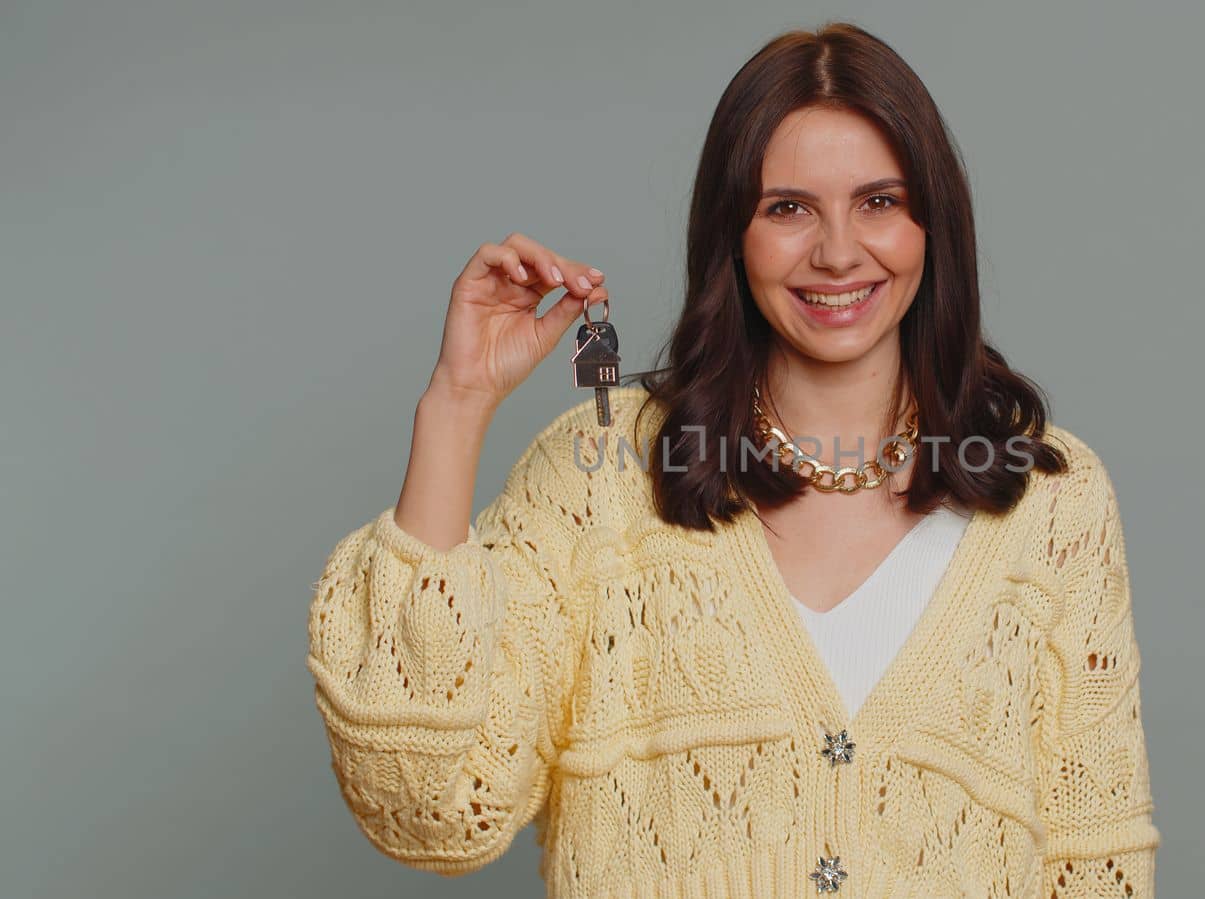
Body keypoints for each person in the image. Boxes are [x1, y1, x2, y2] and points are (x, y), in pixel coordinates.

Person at [305, 21, 1160, 897]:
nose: (836, 251)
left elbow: (1096, 861)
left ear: (932, 226)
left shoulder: (1049, 498)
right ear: (732, 233)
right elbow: (427, 806)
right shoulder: (601, 476)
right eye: (787, 208)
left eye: (879, 202)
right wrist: (457, 405)